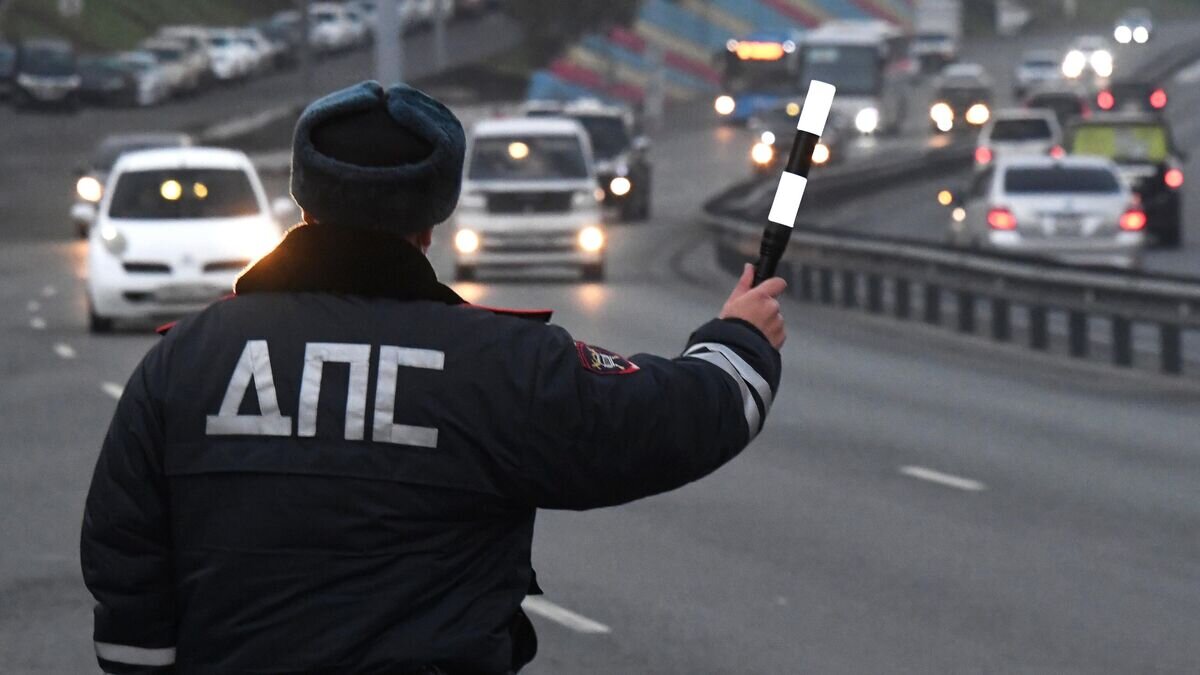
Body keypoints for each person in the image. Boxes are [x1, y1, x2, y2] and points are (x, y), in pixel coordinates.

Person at [80, 81, 787, 674]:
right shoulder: (500, 364)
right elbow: (672, 418)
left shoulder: (187, 361)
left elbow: (124, 559)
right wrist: (740, 339)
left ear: (303, 202)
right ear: (433, 217)